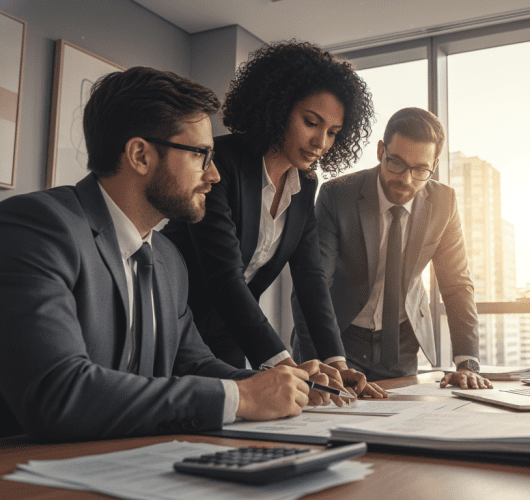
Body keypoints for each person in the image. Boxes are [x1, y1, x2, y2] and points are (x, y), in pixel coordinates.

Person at [0, 67, 338, 442]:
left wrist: (283, 385)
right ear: (140, 155)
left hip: (121, 461)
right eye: (201, 155)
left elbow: (193, 364)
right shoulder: (31, 230)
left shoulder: (167, 258)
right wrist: (241, 397)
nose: (213, 175)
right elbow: (59, 395)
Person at [161, 41, 387, 398]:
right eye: (311, 123)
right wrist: (285, 365)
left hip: (229, 333)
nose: (321, 142)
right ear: (278, 108)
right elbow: (223, 277)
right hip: (173, 325)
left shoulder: (305, 183)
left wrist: (338, 363)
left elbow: (311, 278)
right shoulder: (222, 164)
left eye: (332, 132)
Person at [295, 107, 492, 388]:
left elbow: (457, 285)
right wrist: (330, 359)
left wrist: (467, 363)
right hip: (339, 337)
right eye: (396, 163)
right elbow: (314, 283)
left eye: (420, 169)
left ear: (433, 166)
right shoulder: (337, 195)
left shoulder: (444, 202)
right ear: (380, 151)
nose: (405, 179)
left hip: (401, 343)